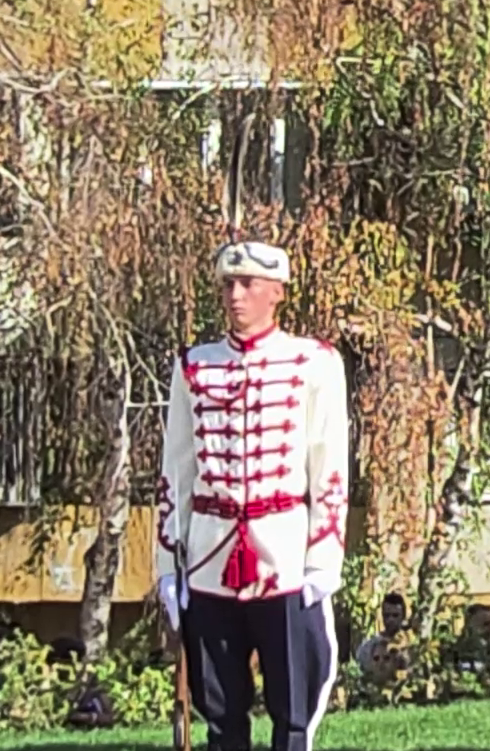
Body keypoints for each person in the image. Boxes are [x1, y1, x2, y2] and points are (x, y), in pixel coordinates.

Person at [155, 239, 351, 751]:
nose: (235, 296)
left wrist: (322, 560)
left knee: (294, 709)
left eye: (247, 285)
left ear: (277, 292)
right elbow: (175, 470)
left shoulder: (314, 362)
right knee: (220, 708)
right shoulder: (195, 367)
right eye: (228, 285)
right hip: (208, 561)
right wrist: (166, 566)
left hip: (283, 557)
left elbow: (329, 466)